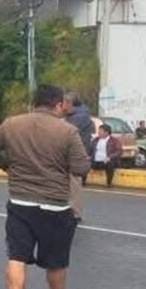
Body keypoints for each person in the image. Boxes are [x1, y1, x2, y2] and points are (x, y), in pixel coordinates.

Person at [0, 84, 91, 289]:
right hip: (56, 205)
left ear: (35, 102)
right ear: (59, 104)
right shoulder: (67, 131)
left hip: (20, 202)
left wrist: (7, 165)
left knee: (17, 256)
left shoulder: (12, 124)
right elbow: (81, 168)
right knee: (56, 260)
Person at [62, 91, 94, 221]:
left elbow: (65, 131)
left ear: (70, 103)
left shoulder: (79, 117)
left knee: (74, 184)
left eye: (64, 103)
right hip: (72, 153)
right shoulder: (77, 115)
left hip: (76, 155)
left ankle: (75, 212)